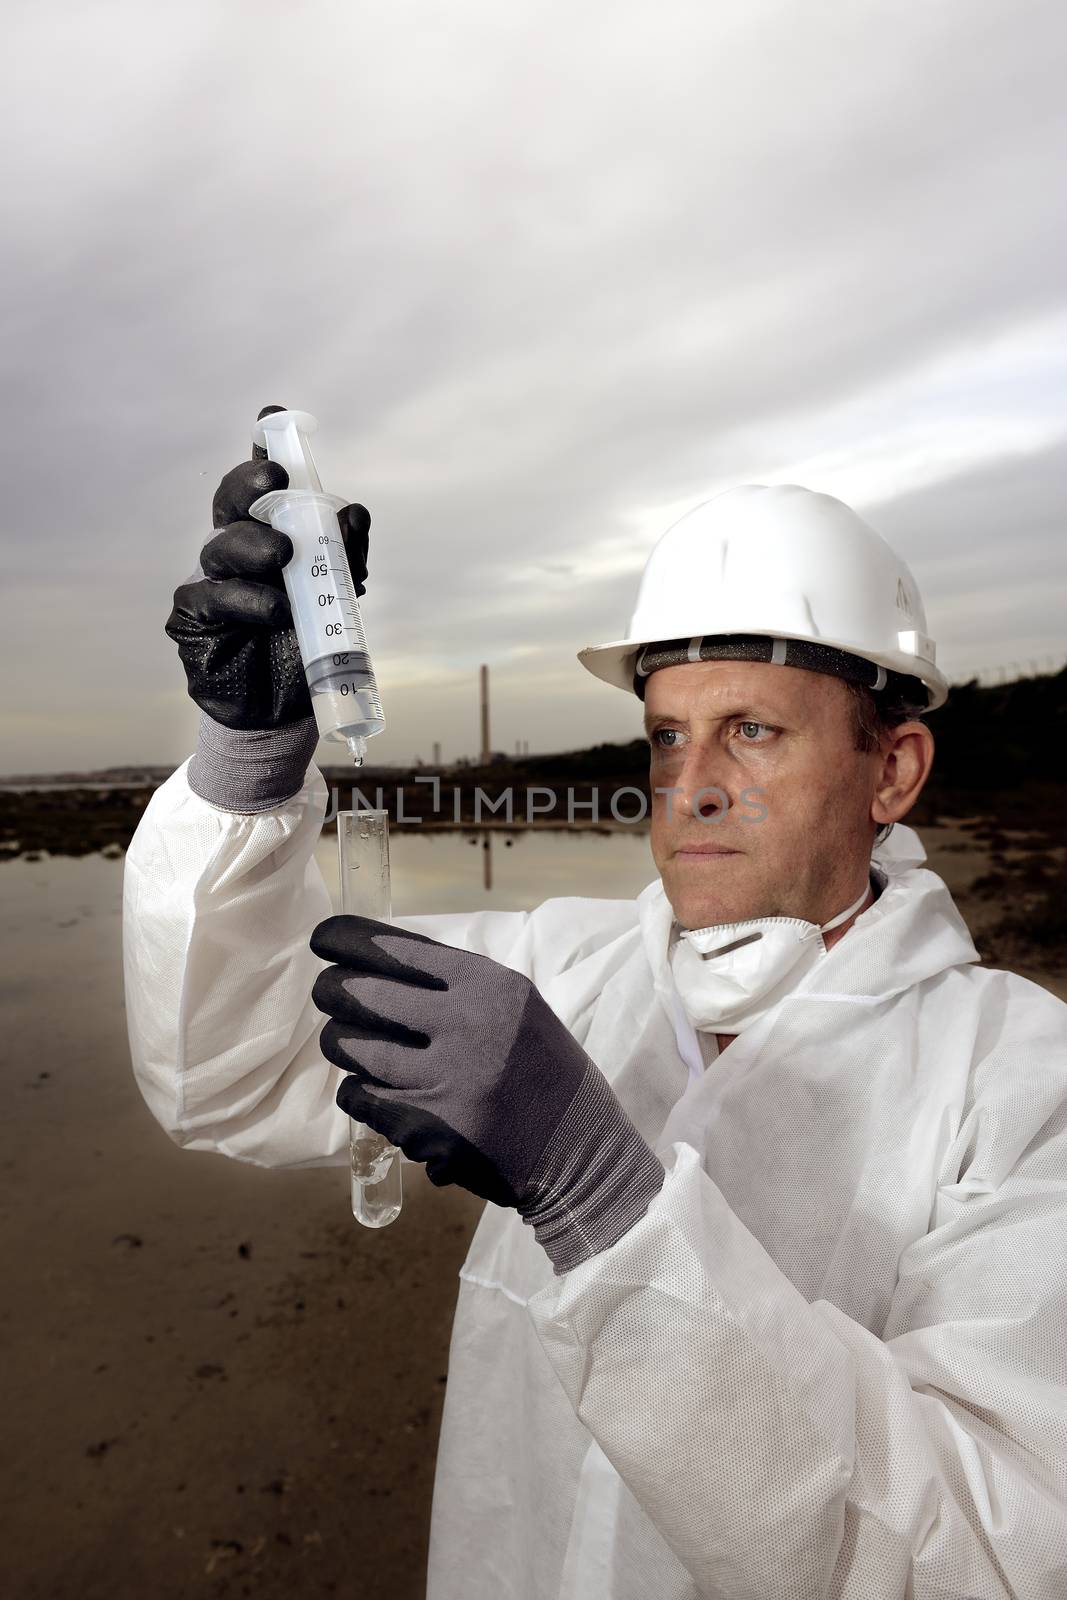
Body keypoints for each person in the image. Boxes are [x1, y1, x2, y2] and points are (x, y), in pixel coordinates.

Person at [124, 418, 1067, 1600]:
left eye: (754, 731)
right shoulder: (559, 970)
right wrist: (246, 763)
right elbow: (228, 1070)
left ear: (892, 771)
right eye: (666, 735)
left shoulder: (1021, 1083)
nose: (694, 785)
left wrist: (598, 1193)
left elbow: (987, 1557)